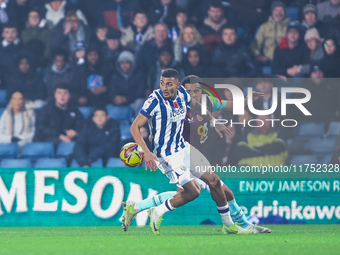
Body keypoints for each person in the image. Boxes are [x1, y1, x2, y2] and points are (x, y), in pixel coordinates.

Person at [123, 73, 270, 234]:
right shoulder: (168, 106)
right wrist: (148, 148)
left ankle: (136, 207)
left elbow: (231, 105)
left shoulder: (205, 103)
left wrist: (245, 102)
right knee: (209, 191)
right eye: (190, 91)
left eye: (197, 91)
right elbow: (150, 129)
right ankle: (243, 225)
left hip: (189, 152)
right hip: (173, 158)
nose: (194, 94)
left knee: (193, 191)